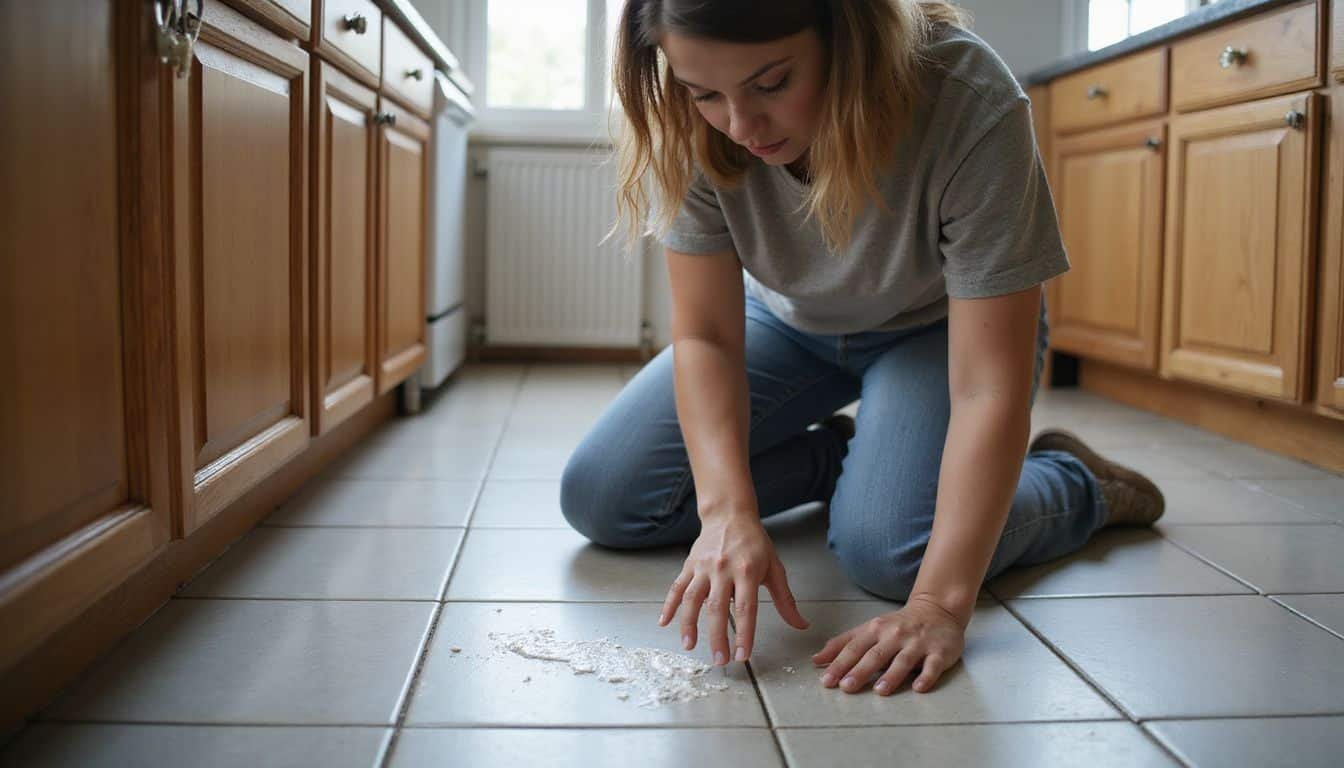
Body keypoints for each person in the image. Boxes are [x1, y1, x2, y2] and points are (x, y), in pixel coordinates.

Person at [560, 0, 1165, 697]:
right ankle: (845, 464)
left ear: (846, 35)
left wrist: (940, 606)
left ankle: (1077, 484)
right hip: (785, 322)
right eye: (706, 95)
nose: (740, 125)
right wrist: (728, 513)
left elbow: (985, 388)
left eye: (771, 83)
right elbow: (708, 335)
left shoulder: (967, 97)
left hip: (935, 332)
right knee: (606, 499)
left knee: (896, 557)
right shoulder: (686, 114)